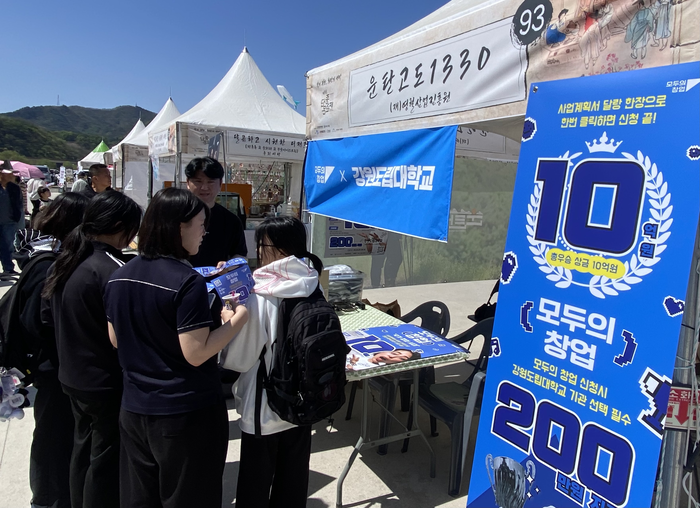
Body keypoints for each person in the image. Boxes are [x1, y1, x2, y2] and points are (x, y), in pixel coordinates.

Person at [103, 188, 248, 508]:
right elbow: (196, 353)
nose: (204, 233)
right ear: (179, 227)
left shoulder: (119, 275)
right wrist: (237, 320)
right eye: (200, 225)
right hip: (185, 412)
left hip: (135, 408)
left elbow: (115, 339)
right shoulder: (187, 282)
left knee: (141, 497)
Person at [42, 191, 142, 508]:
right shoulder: (113, 270)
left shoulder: (67, 260)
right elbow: (126, 331)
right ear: (120, 226)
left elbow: (46, 317)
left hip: (72, 375)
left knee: (83, 450)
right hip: (105, 380)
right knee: (105, 460)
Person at [221, 216, 324, 508]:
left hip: (265, 408)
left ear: (279, 249)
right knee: (293, 482)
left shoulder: (260, 294)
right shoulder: (312, 283)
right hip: (303, 401)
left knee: (254, 485)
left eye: (262, 245)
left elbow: (240, 359)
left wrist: (229, 319)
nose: (258, 251)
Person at [14, 192, 90, 508]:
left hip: (52, 367)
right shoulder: (50, 265)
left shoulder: (45, 257)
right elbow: (37, 321)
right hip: (53, 367)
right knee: (53, 438)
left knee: (53, 436)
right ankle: (47, 499)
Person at [185, 157, 247, 267]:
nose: (204, 187)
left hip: (218, 277)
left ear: (220, 184)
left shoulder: (231, 221)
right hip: (180, 276)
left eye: (210, 182)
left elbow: (240, 255)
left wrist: (229, 265)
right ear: (188, 183)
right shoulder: (176, 215)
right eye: (198, 181)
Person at [0, 162, 24, 275]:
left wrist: (19, 221)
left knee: (8, 246)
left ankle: (8, 268)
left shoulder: (15, 188)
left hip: (9, 222)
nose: (12, 176)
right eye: (9, 174)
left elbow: (19, 205)